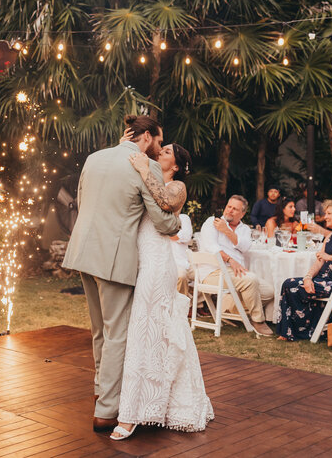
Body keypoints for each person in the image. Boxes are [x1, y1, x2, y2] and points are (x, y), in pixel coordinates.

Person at [62, 114, 181, 435]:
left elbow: (83, 202)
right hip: (114, 260)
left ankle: (102, 388)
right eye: (159, 140)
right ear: (146, 137)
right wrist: (178, 222)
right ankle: (106, 410)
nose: (159, 147)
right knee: (117, 335)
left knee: (99, 330)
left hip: (83, 251)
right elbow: (163, 221)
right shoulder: (145, 165)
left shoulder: (94, 158)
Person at [112, 140, 213, 440]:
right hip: (137, 258)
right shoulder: (146, 174)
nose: (160, 153)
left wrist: (145, 171)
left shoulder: (177, 186)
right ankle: (149, 400)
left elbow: (165, 205)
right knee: (139, 330)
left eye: (167, 152)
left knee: (147, 331)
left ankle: (132, 413)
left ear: (178, 165)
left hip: (158, 264)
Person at [276, 202, 332, 341]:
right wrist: (308, 277)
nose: (325, 217)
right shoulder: (331, 236)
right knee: (294, 284)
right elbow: (319, 261)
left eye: (329, 214)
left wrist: (330, 257)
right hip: (327, 282)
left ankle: (294, 333)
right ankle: (301, 331)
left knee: (290, 285)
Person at [199, 195, 275, 336]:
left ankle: (229, 307)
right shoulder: (212, 222)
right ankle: (258, 320)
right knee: (250, 280)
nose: (230, 211)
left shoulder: (244, 229)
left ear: (243, 213)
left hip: (234, 273)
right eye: (229, 207)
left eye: (235, 209)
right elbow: (211, 247)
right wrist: (230, 260)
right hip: (213, 271)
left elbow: (245, 247)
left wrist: (226, 230)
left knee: (269, 291)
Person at [170, 211, 194, 296]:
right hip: (172, 262)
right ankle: (181, 306)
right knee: (181, 276)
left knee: (205, 275)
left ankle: (196, 304)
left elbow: (186, 236)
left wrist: (167, 232)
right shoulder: (160, 218)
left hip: (186, 261)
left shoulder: (184, 218)